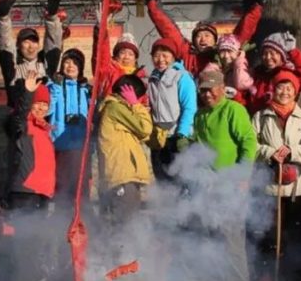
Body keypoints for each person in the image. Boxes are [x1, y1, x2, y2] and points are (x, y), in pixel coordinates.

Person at [192, 68, 259, 281]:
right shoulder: (200, 116)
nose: (207, 94)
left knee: (232, 240)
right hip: (208, 186)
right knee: (211, 239)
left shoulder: (234, 110)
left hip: (231, 185)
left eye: (210, 89)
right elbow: (198, 149)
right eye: (203, 90)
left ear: (222, 88)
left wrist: (242, 174)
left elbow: (249, 143)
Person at [0, 71, 57, 281]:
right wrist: (28, 93)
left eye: (44, 104)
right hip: (24, 191)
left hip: (41, 193)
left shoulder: (44, 130)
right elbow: (19, 116)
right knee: (22, 241)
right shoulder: (22, 127)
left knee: (34, 242)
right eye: (37, 103)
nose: (40, 108)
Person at [131, 0, 263, 75]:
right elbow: (167, 28)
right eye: (199, 36)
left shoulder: (224, 52)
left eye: (207, 35)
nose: (203, 39)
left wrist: (257, 8)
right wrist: (151, 3)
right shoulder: (187, 53)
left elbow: (243, 32)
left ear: (214, 40)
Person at [251, 71, 301, 246]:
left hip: (300, 188)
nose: (285, 92)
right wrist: (269, 152)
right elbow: (251, 146)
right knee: (271, 236)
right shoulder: (260, 116)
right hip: (270, 187)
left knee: (297, 237)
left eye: (289, 88)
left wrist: (293, 153)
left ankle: (293, 271)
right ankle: (270, 270)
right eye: (281, 87)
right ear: (273, 90)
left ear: (295, 92)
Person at [96, 74, 154, 223]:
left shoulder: (115, 109)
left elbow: (144, 136)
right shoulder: (116, 107)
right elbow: (145, 128)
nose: (140, 101)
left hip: (121, 177)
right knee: (125, 225)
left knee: (120, 223)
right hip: (121, 177)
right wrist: (136, 105)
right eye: (139, 97)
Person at [0, 0, 63, 106]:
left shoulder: (46, 65)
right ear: (18, 45)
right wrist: (3, 18)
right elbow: (5, 43)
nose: (31, 47)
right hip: (19, 119)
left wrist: (52, 18)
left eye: (34, 42)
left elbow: (53, 42)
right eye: (26, 42)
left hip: (43, 118)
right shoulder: (12, 67)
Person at [147, 38, 198, 179]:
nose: (160, 59)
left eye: (165, 55)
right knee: (161, 177)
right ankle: (164, 202)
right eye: (156, 56)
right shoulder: (153, 78)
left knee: (180, 179)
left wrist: (182, 133)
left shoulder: (182, 76)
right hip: (159, 136)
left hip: (176, 135)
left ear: (173, 56)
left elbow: (189, 107)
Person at [48, 48, 92, 206]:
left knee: (81, 190)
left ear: (80, 68)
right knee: (63, 190)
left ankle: (83, 224)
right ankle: (62, 223)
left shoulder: (86, 89)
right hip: (61, 146)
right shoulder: (54, 86)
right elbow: (47, 109)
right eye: (67, 62)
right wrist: (56, 88)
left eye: (75, 63)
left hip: (81, 147)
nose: (70, 66)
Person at [246, 32, 301, 114]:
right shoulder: (257, 74)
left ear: (281, 55)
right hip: (254, 121)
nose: (268, 57)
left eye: (272, 53)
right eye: (265, 54)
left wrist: (293, 51)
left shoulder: (287, 75)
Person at [93, 29, 147, 100]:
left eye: (130, 54)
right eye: (122, 53)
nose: (126, 57)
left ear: (135, 59)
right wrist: (101, 30)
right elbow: (101, 56)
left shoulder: (141, 78)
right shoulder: (109, 71)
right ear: (116, 56)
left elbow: (144, 102)